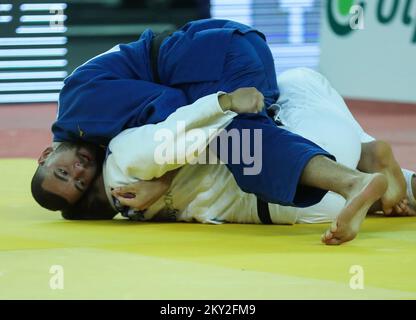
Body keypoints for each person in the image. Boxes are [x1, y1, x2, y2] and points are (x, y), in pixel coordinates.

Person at [32, 18, 370, 216]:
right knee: (280, 131)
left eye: (64, 171)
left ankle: (351, 183)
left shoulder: (82, 108)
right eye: (78, 182)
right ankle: (381, 165)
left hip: (213, 58)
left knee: (244, 149)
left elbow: (175, 105)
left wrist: (163, 181)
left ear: (46, 154)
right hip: (233, 49)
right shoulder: (85, 129)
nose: (80, 171)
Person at [68, 69, 415, 245]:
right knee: (295, 81)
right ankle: (367, 152)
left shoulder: (134, 213)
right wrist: (227, 100)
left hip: (307, 212)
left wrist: (165, 180)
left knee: (250, 137)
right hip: (306, 157)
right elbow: (203, 133)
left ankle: (389, 189)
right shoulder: (122, 156)